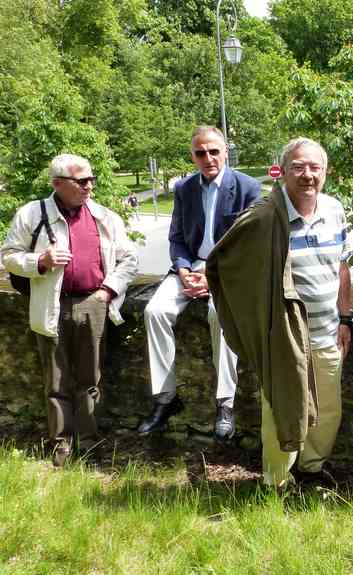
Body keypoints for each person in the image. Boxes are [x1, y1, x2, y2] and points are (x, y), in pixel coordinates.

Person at [207, 137, 352, 490]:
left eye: (315, 167)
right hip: (285, 336)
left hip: (327, 330)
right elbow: (223, 263)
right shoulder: (265, 217)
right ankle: (276, 481)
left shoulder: (335, 210)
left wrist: (346, 319)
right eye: (298, 167)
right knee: (280, 411)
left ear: (326, 172)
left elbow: (343, 267)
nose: (307, 175)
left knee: (329, 410)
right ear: (283, 171)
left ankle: (311, 468)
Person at [0, 154, 138, 466]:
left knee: (91, 378)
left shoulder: (104, 216)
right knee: (56, 379)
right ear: (58, 183)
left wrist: (107, 290)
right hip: (50, 303)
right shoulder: (31, 214)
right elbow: (8, 255)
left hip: (93, 302)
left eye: (91, 179)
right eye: (82, 180)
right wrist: (40, 262)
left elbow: (129, 258)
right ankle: (60, 445)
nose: (90, 185)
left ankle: (89, 444)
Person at [138, 126, 261, 441]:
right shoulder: (184, 188)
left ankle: (225, 403)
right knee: (155, 312)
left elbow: (248, 245)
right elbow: (177, 238)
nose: (208, 158)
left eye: (214, 151)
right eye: (200, 153)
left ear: (225, 151)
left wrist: (212, 275)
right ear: (193, 156)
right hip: (189, 268)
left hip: (228, 272)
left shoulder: (248, 187)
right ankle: (165, 399)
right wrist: (182, 270)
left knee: (219, 316)